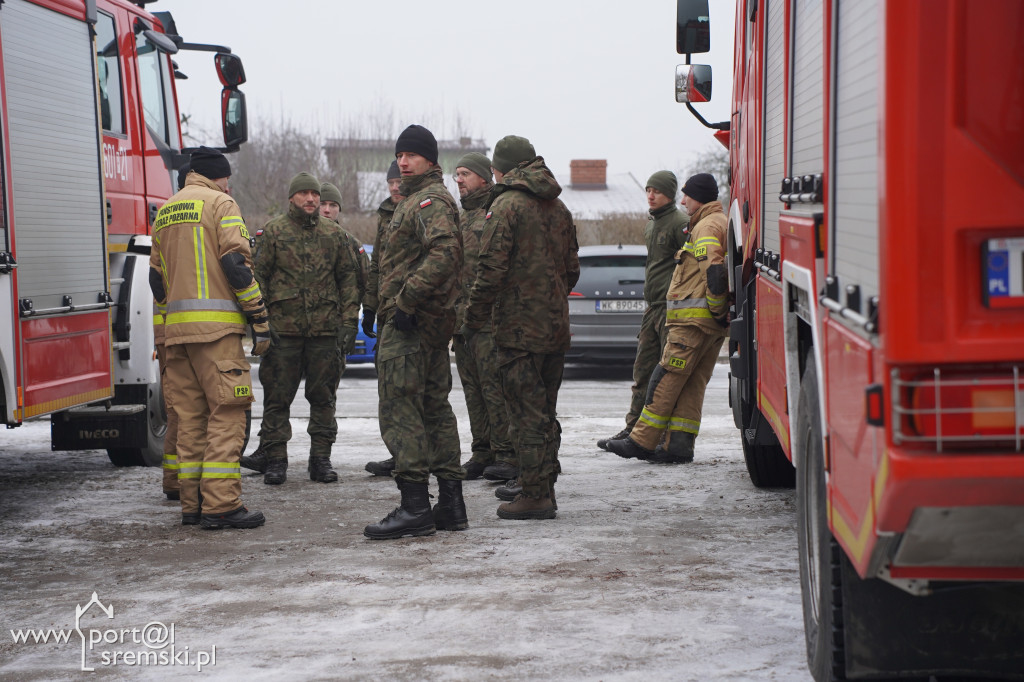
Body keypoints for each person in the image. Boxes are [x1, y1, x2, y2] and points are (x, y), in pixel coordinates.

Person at [149, 146, 268, 529]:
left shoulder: (166, 211)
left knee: (190, 419)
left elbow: (156, 281)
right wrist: (259, 317)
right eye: (227, 178)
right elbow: (236, 265)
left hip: (177, 336)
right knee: (227, 414)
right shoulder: (221, 204)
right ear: (219, 176)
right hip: (217, 335)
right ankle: (221, 505)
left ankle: (192, 505)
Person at [462, 135, 579, 520]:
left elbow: (490, 269)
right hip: (555, 327)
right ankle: (545, 485)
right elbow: (572, 270)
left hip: (517, 329)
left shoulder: (506, 205)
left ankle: (534, 494)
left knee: (524, 414)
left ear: (502, 169)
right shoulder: (559, 207)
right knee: (544, 410)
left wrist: (474, 315)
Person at [363, 124, 466, 540]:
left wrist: (406, 301)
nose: (403, 161)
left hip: (412, 326)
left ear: (429, 159)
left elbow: (446, 252)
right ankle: (450, 505)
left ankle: (415, 507)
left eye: (411, 155)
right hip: (426, 325)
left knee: (401, 408)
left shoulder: (427, 200)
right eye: (400, 155)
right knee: (433, 408)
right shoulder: (418, 199)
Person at [604, 173, 728, 464]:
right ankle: (678, 446)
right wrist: (720, 316)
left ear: (701, 197)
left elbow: (714, 272)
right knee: (692, 384)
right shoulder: (718, 221)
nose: (683, 201)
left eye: (688, 196)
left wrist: (718, 310)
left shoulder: (706, 224)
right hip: (707, 323)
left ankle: (640, 440)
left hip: (693, 322)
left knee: (666, 377)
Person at [245, 173, 359, 485]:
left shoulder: (333, 235)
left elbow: (348, 279)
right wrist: (263, 321)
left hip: (325, 332)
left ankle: (320, 459)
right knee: (277, 398)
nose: (311, 199)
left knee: (323, 398)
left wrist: (349, 321)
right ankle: (276, 459)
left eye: (314, 194)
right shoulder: (275, 232)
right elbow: (259, 277)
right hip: (284, 332)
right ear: (292, 198)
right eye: (304, 194)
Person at [597, 171, 689, 450]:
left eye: (656, 191)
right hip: (652, 309)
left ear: (670, 194)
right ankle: (633, 429)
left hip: (671, 310)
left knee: (666, 375)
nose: (650, 195)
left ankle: (662, 436)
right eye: (648, 190)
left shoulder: (681, 224)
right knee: (642, 371)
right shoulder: (652, 224)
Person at [451, 152, 515, 481]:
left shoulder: (495, 211)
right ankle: (482, 451)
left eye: (465, 174)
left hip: (490, 320)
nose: (458, 180)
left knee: (494, 388)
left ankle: (506, 454)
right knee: (472, 389)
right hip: (462, 322)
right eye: (456, 175)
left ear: (484, 178)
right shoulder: (459, 219)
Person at [362, 161, 405, 478]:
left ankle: (416, 456)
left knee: (410, 389)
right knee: (387, 388)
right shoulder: (384, 215)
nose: (394, 186)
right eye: (390, 180)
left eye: (399, 180)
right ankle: (398, 452)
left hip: (411, 312)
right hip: (388, 313)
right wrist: (370, 307)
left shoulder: (423, 209)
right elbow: (376, 264)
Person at [152, 161, 192, 502]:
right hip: (191, 331)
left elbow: (155, 278)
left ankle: (174, 479)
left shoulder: (164, 216)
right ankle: (182, 482)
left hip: (167, 331)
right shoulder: (198, 217)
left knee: (177, 409)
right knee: (191, 412)